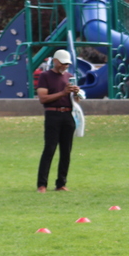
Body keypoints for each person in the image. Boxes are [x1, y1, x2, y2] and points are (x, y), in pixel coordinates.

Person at [36, 50, 81, 193]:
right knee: (49, 149)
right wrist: (63, 92)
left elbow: (75, 100)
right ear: (55, 61)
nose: (65, 66)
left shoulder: (69, 77)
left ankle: (61, 183)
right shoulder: (45, 76)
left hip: (68, 115)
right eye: (63, 63)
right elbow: (43, 98)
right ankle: (42, 184)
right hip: (53, 115)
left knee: (66, 151)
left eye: (67, 64)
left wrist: (76, 93)